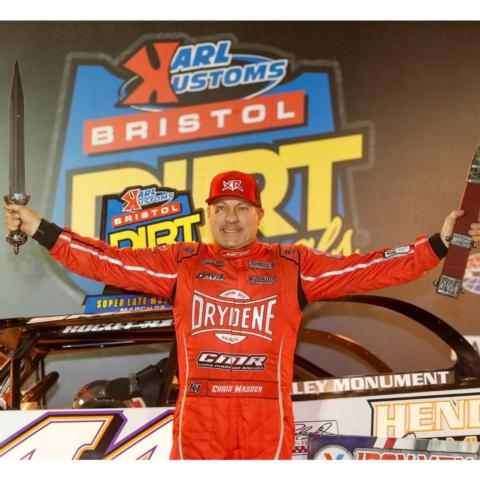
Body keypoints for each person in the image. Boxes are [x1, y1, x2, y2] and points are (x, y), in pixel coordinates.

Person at [4, 170, 480, 460]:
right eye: (221, 208)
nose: (231, 218)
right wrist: (42, 230)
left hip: (265, 417)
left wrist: (434, 245)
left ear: (259, 215)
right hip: (200, 417)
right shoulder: (182, 263)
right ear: (207, 214)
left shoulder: (293, 265)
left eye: (241, 208)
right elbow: (105, 260)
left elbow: (366, 268)